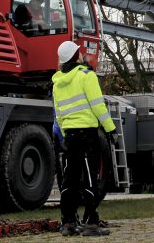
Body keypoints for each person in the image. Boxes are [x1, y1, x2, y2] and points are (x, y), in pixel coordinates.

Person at [52, 40, 117, 237]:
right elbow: (98, 106)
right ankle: (90, 223)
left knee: (70, 179)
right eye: (79, 52)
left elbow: (59, 115)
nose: (81, 54)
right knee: (90, 177)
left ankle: (68, 222)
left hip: (70, 136)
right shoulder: (87, 76)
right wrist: (110, 128)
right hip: (87, 134)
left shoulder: (57, 83)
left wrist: (65, 135)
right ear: (75, 56)